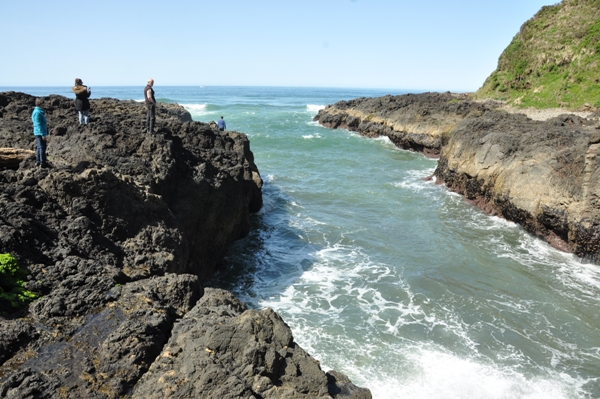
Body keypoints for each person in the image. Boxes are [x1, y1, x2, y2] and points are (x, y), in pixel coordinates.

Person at [31, 97, 49, 168]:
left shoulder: (37, 111)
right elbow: (38, 124)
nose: (44, 104)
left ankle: (38, 161)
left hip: (38, 132)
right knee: (42, 147)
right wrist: (43, 134)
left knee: (39, 147)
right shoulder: (38, 112)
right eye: (43, 103)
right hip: (39, 132)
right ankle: (43, 162)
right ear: (40, 104)